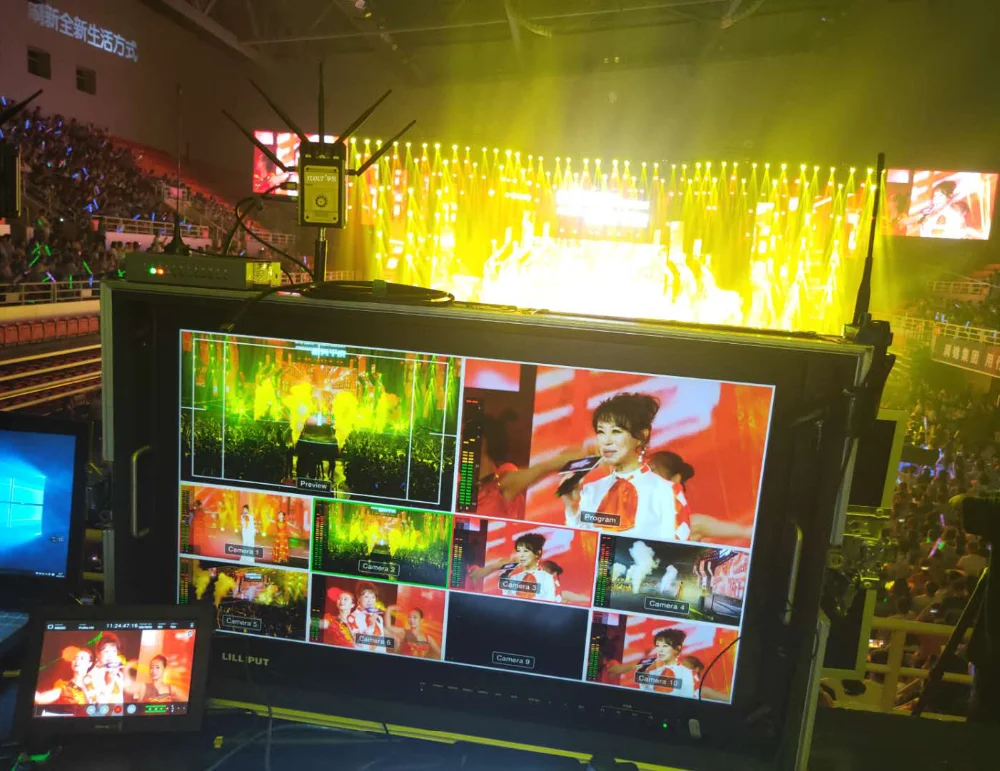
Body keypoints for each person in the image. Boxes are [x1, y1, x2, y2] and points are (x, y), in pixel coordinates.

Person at [564, 393, 689, 541]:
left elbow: (676, 547)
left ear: (641, 436)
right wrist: (572, 507)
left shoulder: (666, 492)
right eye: (601, 432)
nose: (606, 441)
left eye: (616, 431)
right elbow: (579, 542)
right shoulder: (590, 491)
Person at [473, 409, 583, 520]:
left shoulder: (503, 480)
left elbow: (546, 467)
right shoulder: (474, 490)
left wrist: (571, 458)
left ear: (482, 443)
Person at [469, 533, 562, 602]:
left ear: (538, 553)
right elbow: (474, 575)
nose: (521, 555)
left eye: (525, 551)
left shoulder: (546, 579)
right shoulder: (513, 572)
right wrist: (498, 566)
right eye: (519, 551)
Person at [605, 628, 696, 697]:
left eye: (665, 646)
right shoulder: (651, 661)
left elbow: (614, 670)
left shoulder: (683, 673)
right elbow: (614, 670)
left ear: (677, 649)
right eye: (658, 646)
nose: (660, 650)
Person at [88, 633, 126, 705]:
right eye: (106, 651)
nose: (110, 655)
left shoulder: (118, 673)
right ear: (98, 653)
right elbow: (95, 704)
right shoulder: (90, 677)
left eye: (114, 651)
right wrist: (109, 682)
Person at [350, 582, 388, 652]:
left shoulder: (378, 618)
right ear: (358, 598)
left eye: (373, 597)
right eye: (366, 597)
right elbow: (359, 642)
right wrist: (371, 626)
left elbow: (382, 644)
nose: (370, 600)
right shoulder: (352, 617)